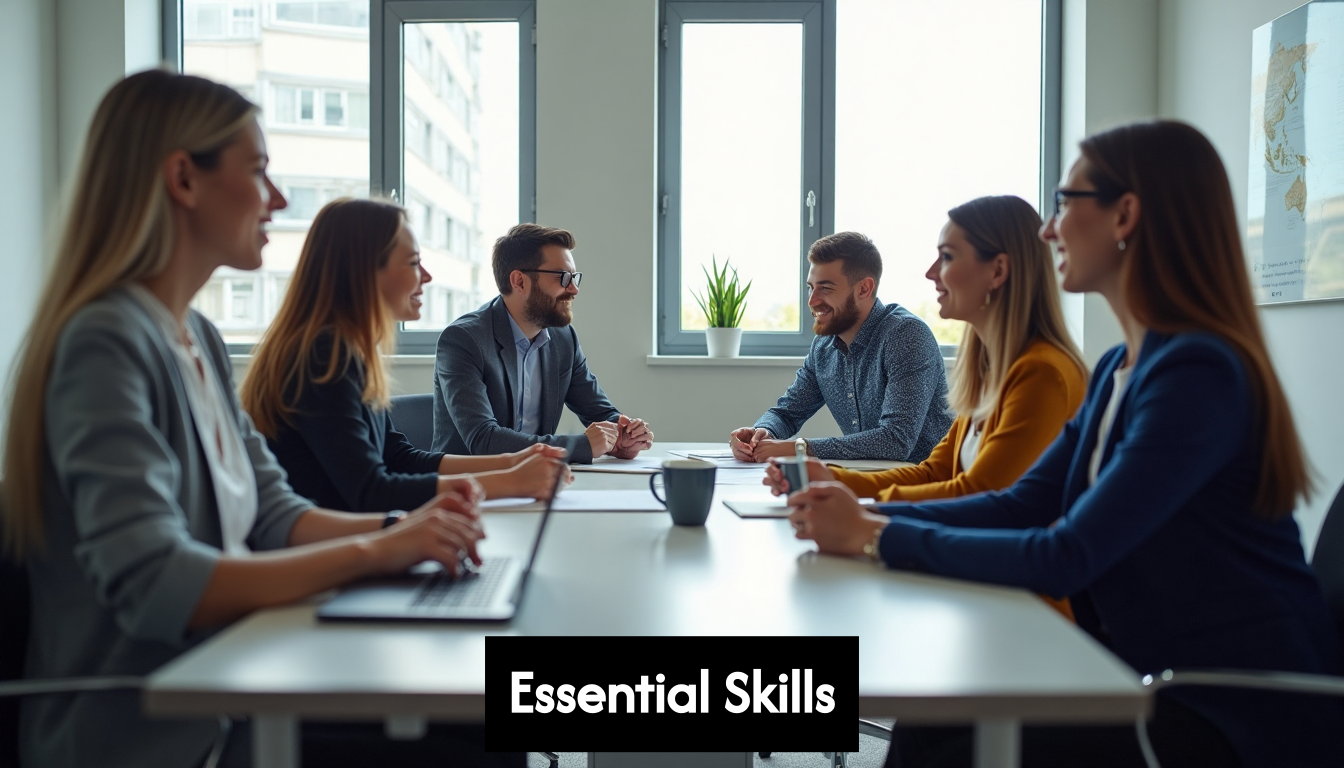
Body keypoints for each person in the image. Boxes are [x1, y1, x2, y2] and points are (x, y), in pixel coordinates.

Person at [786, 121, 1344, 767]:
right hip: (1138, 672)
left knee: (952, 748)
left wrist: (875, 534)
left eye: (1064, 204)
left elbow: (1068, 553)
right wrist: (868, 516)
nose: (1049, 230)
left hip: (1229, 708)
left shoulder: (1199, 374)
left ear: (1124, 215)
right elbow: (1020, 503)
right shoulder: (1118, 369)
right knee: (926, 725)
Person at [0, 70, 517, 768]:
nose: (276, 199)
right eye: (259, 171)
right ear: (183, 179)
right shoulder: (104, 342)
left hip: (235, 680)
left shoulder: (198, 337)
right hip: (152, 731)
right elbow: (159, 583)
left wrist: (407, 531)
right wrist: (379, 549)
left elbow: (274, 516)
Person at [241, 198, 569, 512]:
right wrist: (509, 483)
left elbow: (400, 458)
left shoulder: (349, 349)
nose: (426, 276)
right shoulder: (323, 356)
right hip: (326, 557)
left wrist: (511, 462)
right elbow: (372, 491)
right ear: (365, 271)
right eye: (413, 263)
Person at [764, 196, 1087, 505]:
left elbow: (978, 495)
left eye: (947, 257)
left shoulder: (1040, 373)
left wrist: (865, 511)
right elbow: (936, 472)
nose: (931, 273)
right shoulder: (990, 371)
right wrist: (832, 479)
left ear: (998, 271)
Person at [432, 223, 653, 463]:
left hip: (535, 481)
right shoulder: (463, 340)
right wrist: (577, 446)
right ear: (519, 281)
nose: (574, 289)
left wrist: (624, 435)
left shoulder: (563, 338)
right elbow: (484, 440)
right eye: (563, 277)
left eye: (574, 277)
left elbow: (599, 412)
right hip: (467, 487)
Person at [728, 232, 952, 463]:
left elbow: (895, 441)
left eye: (825, 288)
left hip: (930, 484)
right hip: (869, 478)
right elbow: (787, 413)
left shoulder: (906, 335)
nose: (812, 300)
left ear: (864, 289)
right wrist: (762, 433)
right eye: (810, 287)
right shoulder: (824, 346)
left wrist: (800, 448)